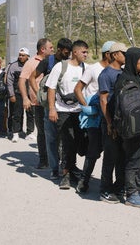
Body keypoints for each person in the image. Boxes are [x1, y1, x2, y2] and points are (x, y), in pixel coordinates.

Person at [45, 40, 88, 189]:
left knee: (77, 142)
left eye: (87, 52)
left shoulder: (86, 68)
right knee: (66, 143)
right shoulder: (61, 66)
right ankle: (65, 174)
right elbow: (51, 88)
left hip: (80, 112)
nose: (86, 55)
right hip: (63, 111)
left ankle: (72, 168)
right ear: (75, 52)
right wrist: (52, 109)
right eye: (84, 52)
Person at [113, 47, 140, 208]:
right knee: (133, 160)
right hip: (131, 129)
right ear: (133, 61)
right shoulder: (124, 80)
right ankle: (131, 194)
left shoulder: (137, 77)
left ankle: (139, 186)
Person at [73, 40, 114, 193]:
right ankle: (84, 180)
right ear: (108, 54)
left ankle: (108, 183)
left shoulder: (117, 69)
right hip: (95, 118)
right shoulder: (93, 69)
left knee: (110, 151)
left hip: (109, 116)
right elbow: (78, 89)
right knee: (93, 151)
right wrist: (86, 108)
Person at [31, 38, 72, 175]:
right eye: (66, 52)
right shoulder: (47, 62)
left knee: (65, 137)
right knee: (51, 137)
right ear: (59, 50)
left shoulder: (70, 63)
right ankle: (54, 168)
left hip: (66, 106)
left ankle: (65, 165)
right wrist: (39, 94)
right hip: (50, 105)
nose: (68, 55)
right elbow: (32, 77)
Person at [97, 42, 127, 204]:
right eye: (123, 53)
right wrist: (109, 123)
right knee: (110, 157)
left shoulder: (123, 73)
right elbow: (103, 100)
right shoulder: (105, 75)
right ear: (115, 55)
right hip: (110, 123)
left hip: (121, 123)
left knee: (121, 157)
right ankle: (105, 190)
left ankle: (118, 186)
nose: (125, 56)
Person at [18, 38, 54, 167]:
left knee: (55, 132)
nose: (53, 50)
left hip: (51, 103)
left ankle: (56, 159)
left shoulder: (51, 62)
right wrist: (25, 98)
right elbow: (22, 81)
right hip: (38, 104)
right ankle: (43, 160)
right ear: (42, 49)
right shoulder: (31, 63)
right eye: (51, 47)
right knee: (42, 132)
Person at [7, 48, 29, 142]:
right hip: (17, 93)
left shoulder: (30, 65)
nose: (20, 57)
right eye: (19, 55)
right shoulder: (13, 66)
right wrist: (11, 94)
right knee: (17, 114)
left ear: (27, 56)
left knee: (30, 113)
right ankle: (15, 133)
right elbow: (9, 81)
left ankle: (29, 132)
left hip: (29, 93)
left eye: (23, 55)